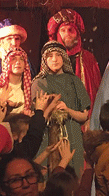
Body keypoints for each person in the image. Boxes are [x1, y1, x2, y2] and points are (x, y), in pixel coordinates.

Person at [32, 41, 91, 174]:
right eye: (50, 56)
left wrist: (68, 110)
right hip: (47, 136)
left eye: (58, 55)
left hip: (73, 134)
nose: (54, 59)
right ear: (44, 60)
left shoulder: (74, 81)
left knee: (75, 176)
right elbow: (38, 114)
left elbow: (84, 116)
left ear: (64, 57)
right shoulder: (38, 82)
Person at [48, 9, 102, 107]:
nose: (67, 34)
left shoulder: (88, 58)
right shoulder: (50, 59)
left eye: (71, 30)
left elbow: (96, 90)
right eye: (63, 30)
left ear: (77, 33)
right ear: (57, 35)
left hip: (84, 115)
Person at [0, 47, 32, 119]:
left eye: (21, 59)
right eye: (13, 59)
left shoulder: (29, 89)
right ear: (6, 64)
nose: (18, 62)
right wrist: (2, 104)